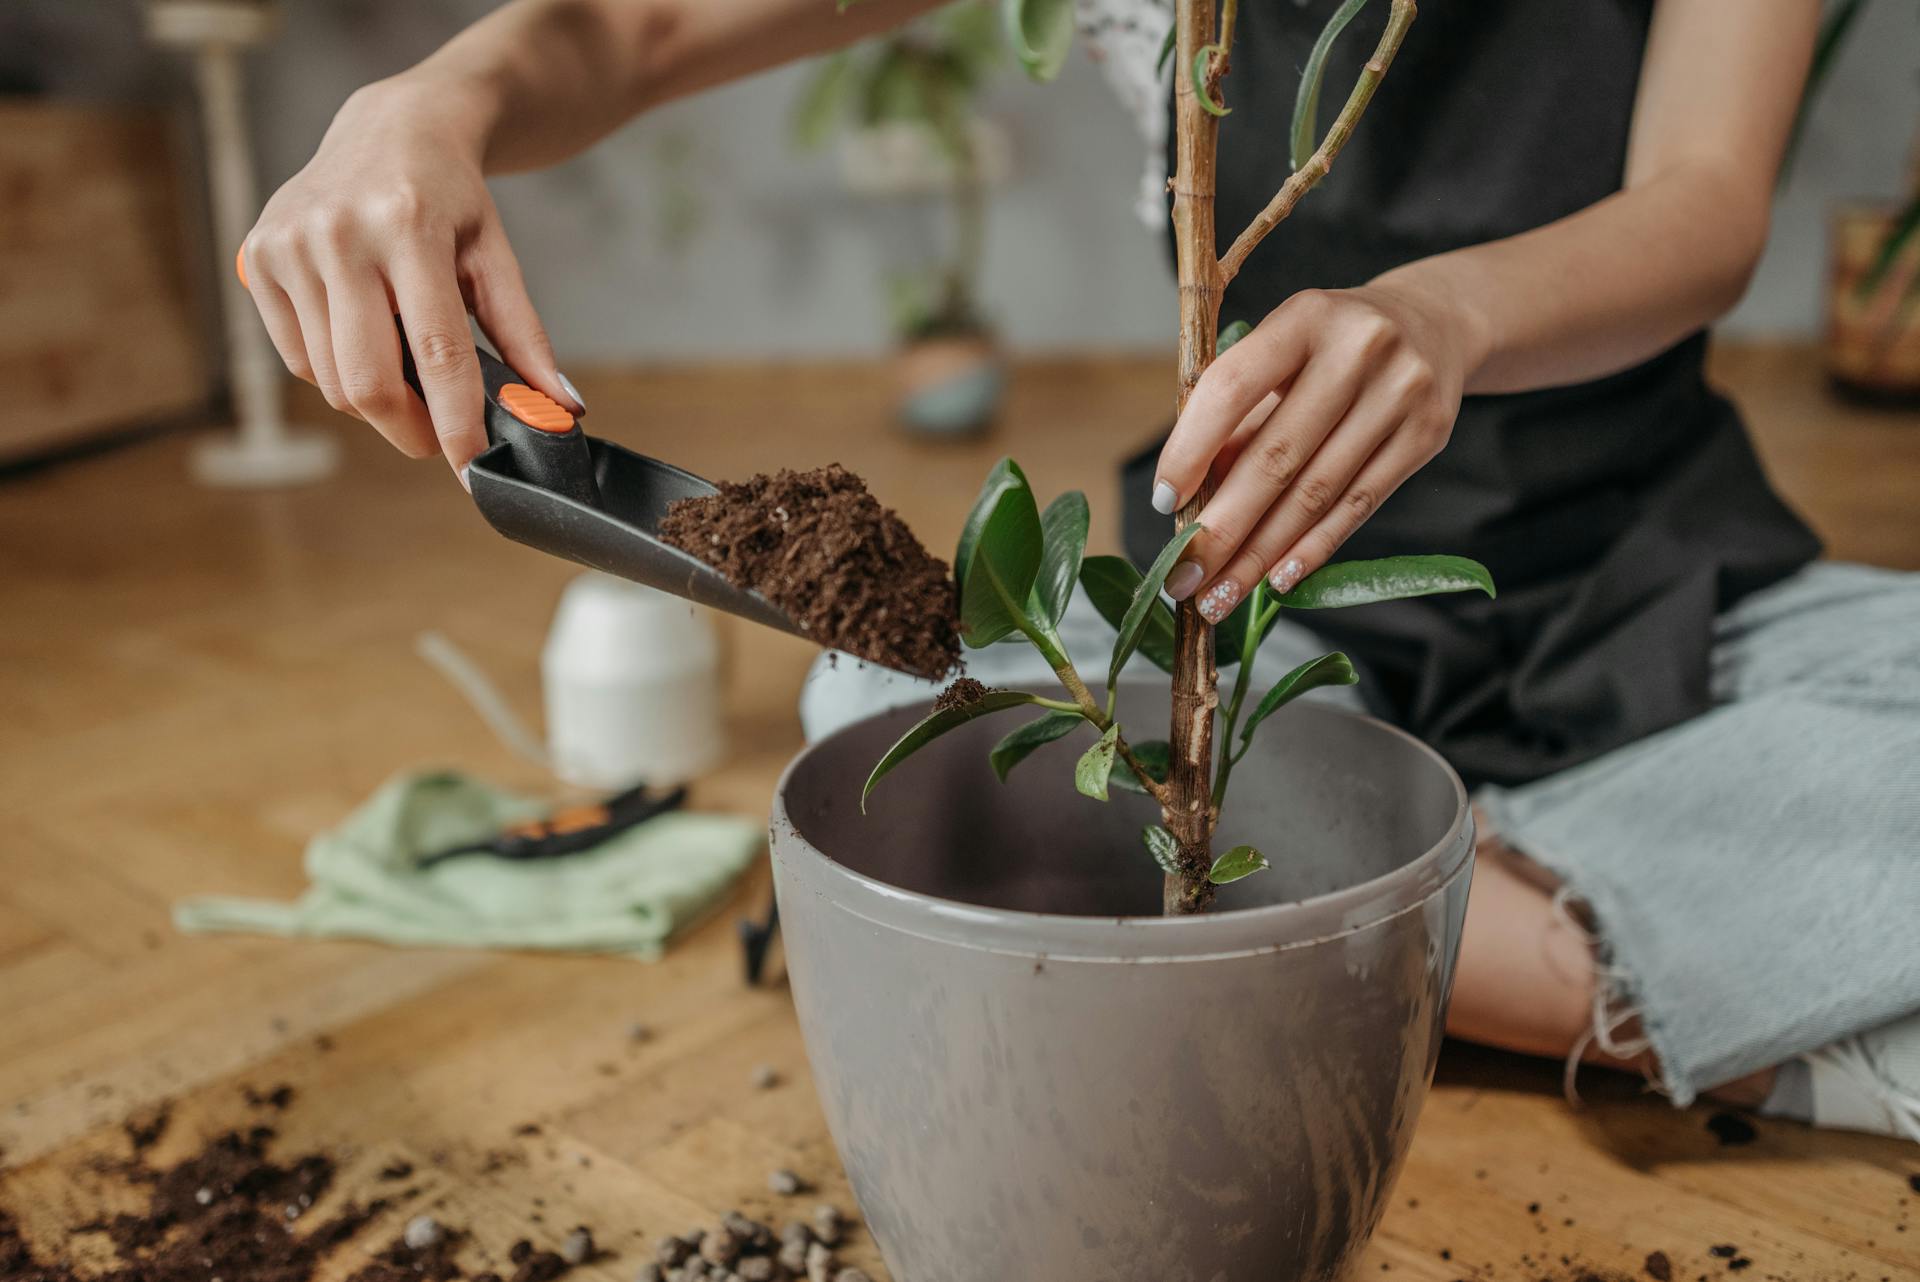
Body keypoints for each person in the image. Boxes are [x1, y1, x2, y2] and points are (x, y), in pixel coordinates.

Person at [241, 0, 1920, 1139]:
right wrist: (424, 102)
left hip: (1655, 579)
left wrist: (1444, 317)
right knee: (872, 687)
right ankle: (1686, 981)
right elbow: (633, 29)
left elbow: (1704, 205)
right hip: (1224, 631)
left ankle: (1211, 926)